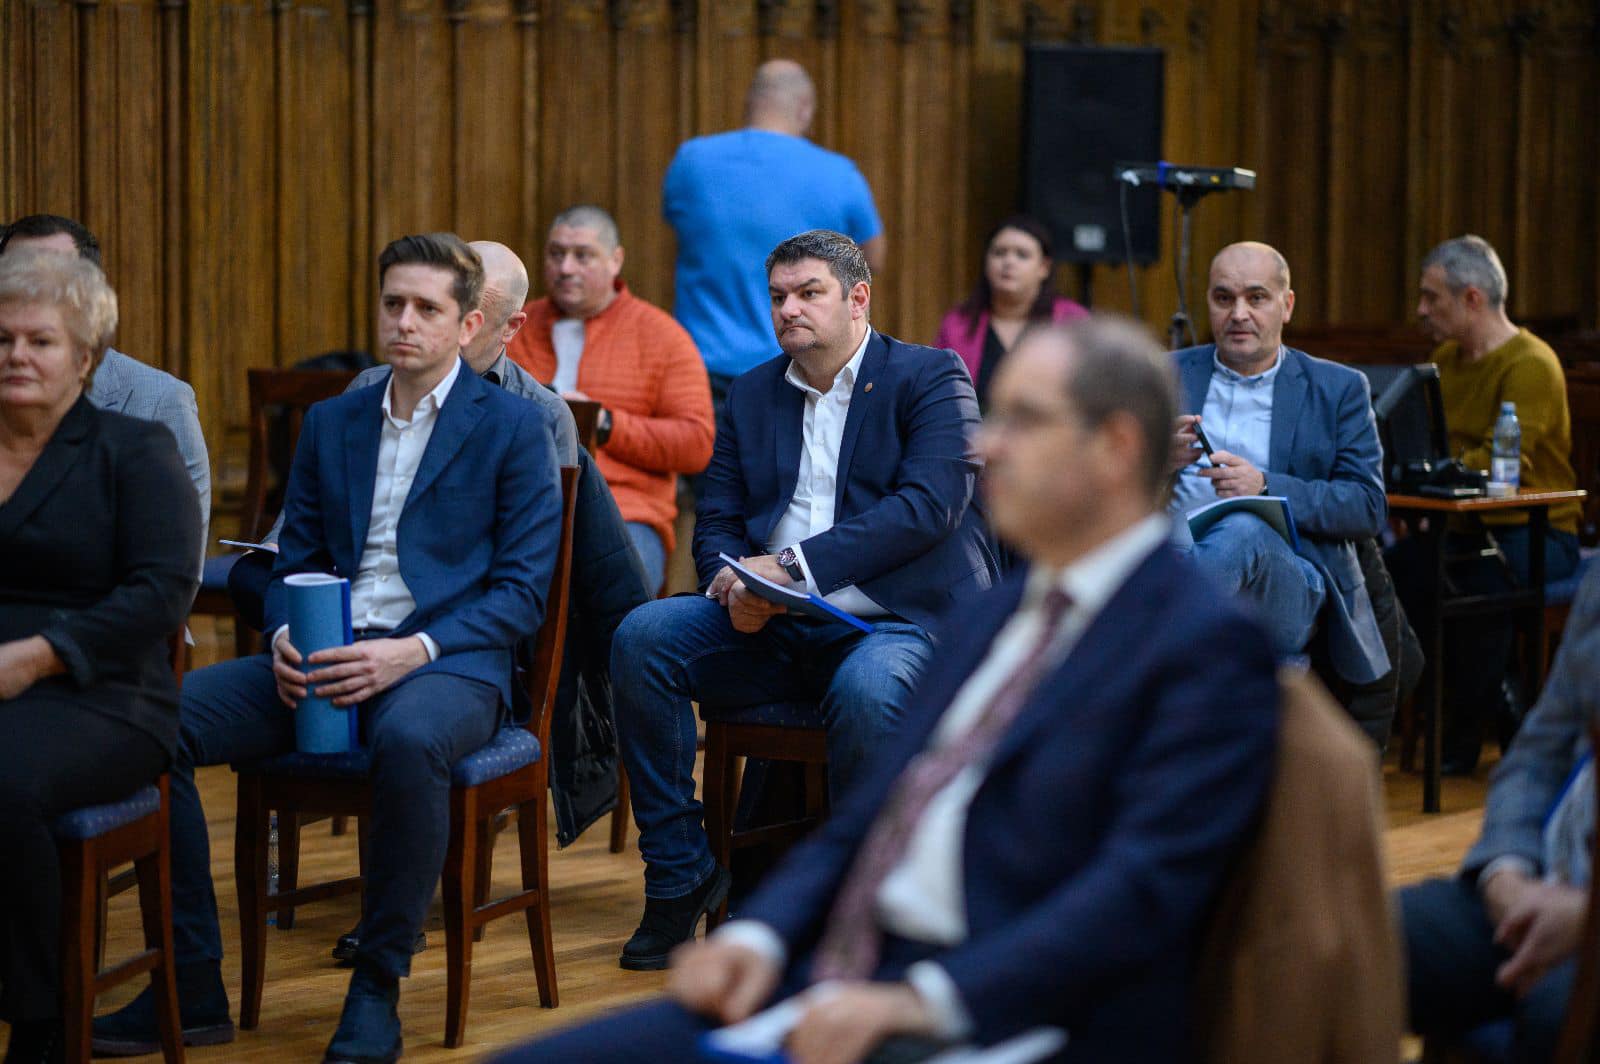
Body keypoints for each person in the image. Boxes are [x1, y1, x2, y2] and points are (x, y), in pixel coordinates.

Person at [493, 315, 1280, 1064]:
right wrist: (760, 937)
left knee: (871, 689)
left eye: (1024, 421)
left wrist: (919, 1002)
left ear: (1116, 447)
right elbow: (868, 819)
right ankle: (687, 885)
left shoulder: (1205, 645)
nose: (986, 446)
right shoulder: (997, 615)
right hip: (846, 979)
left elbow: (1138, 893)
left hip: (1004, 1020)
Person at [91, 234, 563, 1064]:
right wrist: (283, 633)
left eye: (427, 308)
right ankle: (191, 982)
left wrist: (410, 651)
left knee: (409, 738)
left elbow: (521, 597)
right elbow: (291, 561)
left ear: (469, 324)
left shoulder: (517, 428)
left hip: (447, 663)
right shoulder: (335, 421)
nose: (404, 322)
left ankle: (376, 985)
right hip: (324, 654)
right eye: (393, 304)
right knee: (155, 719)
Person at [607, 230, 999, 972]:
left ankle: (857, 908)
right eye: (779, 297)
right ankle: (680, 872)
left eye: (809, 293)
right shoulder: (753, 392)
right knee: (643, 637)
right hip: (777, 623)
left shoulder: (930, 375)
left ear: (858, 299)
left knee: (868, 691)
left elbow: (929, 507)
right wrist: (733, 586)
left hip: (894, 622)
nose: (789, 309)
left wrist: (789, 567)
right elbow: (717, 519)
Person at [0, 251, 200, 1062]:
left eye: (40, 341)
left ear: (84, 357)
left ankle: (39, 1019)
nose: (16, 355)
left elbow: (161, 593)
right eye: (2, 339)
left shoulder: (133, 449)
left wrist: (38, 656)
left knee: (3, 781)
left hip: (106, 696)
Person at [1398, 562, 1600, 1060]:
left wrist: (1585, 918)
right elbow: (1536, 754)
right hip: (1532, 883)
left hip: (1587, 921)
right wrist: (1504, 872)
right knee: (1362, 937)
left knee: (1556, 1013)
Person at [1169, 241, 1389, 687]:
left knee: (1242, 529)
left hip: (1286, 578)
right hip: (1174, 555)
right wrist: (1156, 461)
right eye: (1224, 298)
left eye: (1256, 298)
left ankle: (1159, 640)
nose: (1238, 314)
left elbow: (1367, 506)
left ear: (1286, 306)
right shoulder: (1166, 373)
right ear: (1208, 302)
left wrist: (1265, 485)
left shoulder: (1338, 388)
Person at [1403, 234, 1582, 772]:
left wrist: (1441, 471)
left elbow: (1502, 463)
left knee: (1480, 582)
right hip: (1463, 527)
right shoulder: (1443, 360)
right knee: (1392, 570)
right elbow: (1434, 449)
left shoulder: (1532, 363)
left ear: (1472, 299)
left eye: (1432, 297)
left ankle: (1462, 738)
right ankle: (1488, 702)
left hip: (1538, 531)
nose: (1421, 309)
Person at [508, 206, 715, 592]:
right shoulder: (515, 325)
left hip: (625, 512)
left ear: (615, 260)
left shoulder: (662, 336)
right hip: (520, 502)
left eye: (582, 256)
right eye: (556, 254)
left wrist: (605, 424)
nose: (566, 268)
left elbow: (696, 444)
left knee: (621, 594)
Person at [663, 59, 885, 411]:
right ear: (804, 109)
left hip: (699, 368)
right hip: (799, 366)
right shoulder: (839, 175)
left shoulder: (691, 161)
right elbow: (873, 259)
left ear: (751, 103)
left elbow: (678, 228)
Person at [0, 214, 211, 578]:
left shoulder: (159, 401)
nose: (32, 293)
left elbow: (173, 572)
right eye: (16, 275)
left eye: (55, 280)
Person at [933, 214, 1088, 407]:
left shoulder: (1073, 321)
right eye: (999, 253)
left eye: (1022, 255)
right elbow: (939, 393)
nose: (1008, 262)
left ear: (1044, 267)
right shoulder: (958, 323)